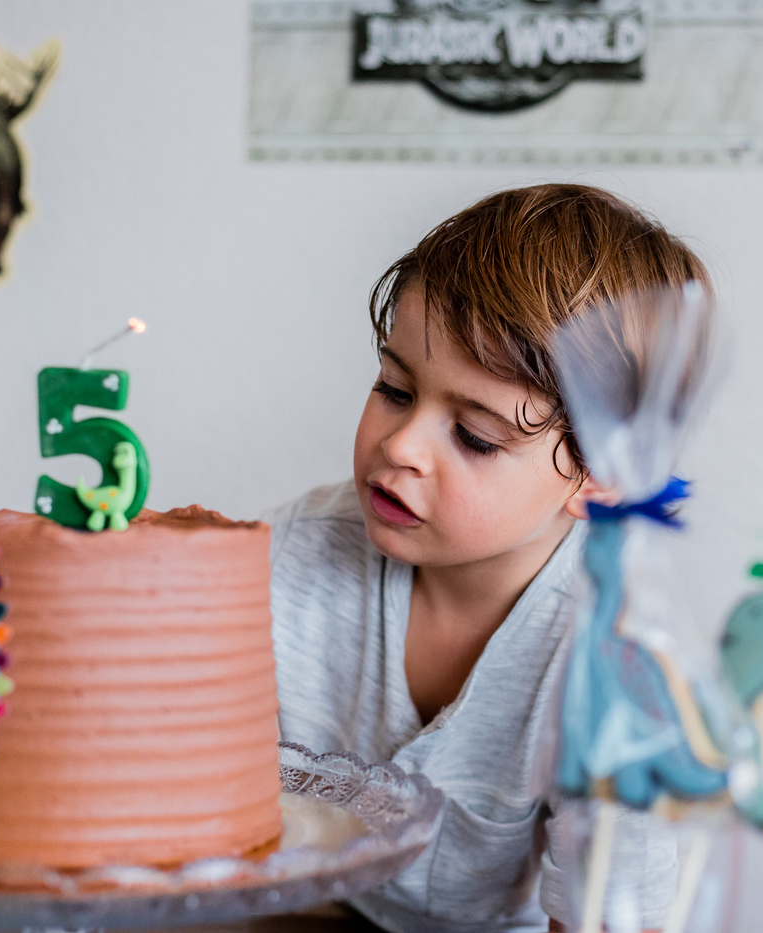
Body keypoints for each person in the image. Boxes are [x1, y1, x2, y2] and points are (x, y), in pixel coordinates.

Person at [267, 183, 712, 932]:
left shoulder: (615, 661)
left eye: (475, 436)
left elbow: (607, 917)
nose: (401, 447)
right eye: (394, 388)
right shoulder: (290, 554)